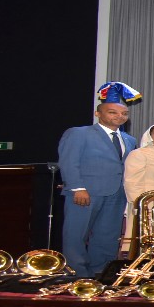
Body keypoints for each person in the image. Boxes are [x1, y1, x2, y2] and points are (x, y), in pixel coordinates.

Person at [58, 100, 138, 276]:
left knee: (108, 236)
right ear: (98, 114)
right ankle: (77, 274)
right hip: (86, 192)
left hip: (117, 194)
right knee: (77, 234)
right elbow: (69, 161)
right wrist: (77, 188)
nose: (119, 116)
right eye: (112, 112)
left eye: (124, 114)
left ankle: (101, 273)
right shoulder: (78, 133)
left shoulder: (129, 140)